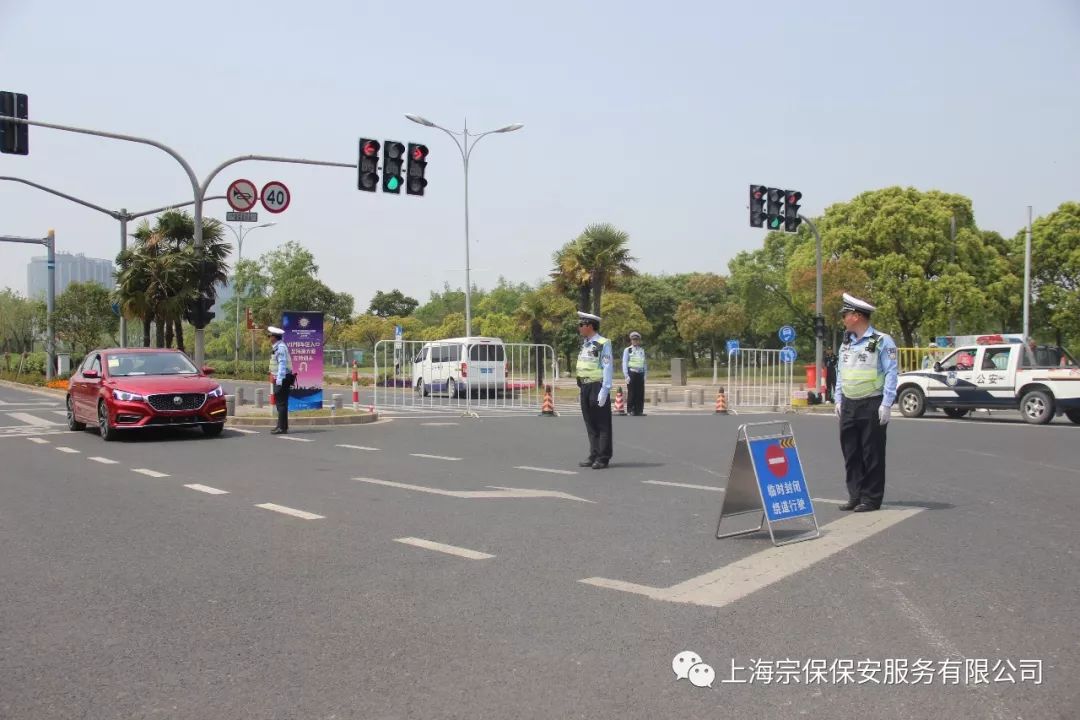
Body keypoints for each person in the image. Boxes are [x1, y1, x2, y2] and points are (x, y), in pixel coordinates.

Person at [834, 293, 898, 512]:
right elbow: (841, 372)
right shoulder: (846, 343)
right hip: (849, 403)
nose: (843, 318)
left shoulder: (881, 341)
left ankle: (871, 498)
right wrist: (838, 399)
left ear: (857, 316)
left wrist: (887, 403)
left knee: (872, 453)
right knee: (851, 452)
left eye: (845, 314)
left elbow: (891, 372)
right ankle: (855, 495)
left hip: (872, 403)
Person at [575, 311, 614, 469]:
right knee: (590, 423)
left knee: (602, 423)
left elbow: (607, 366)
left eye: (581, 325)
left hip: (597, 386)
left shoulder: (603, 343)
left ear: (590, 326)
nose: (579, 328)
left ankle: (603, 457)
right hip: (585, 386)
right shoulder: (585, 344)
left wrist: (605, 389)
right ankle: (594, 453)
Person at [268, 326, 293, 435]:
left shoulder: (280, 348)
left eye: (270, 336)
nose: (269, 338)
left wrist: (279, 380)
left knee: (281, 404)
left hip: (282, 379)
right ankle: (282, 426)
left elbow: (282, 364)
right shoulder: (278, 346)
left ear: (274, 337)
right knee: (282, 404)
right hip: (282, 378)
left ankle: (282, 428)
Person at [621, 331, 648, 416]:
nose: (635, 341)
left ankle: (639, 410)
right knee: (632, 392)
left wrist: (645, 374)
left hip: (640, 373)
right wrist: (626, 375)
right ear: (631, 340)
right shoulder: (628, 350)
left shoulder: (641, 350)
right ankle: (630, 410)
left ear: (639, 340)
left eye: (636, 339)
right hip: (632, 372)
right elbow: (624, 362)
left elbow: (644, 363)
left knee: (640, 393)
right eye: (633, 340)